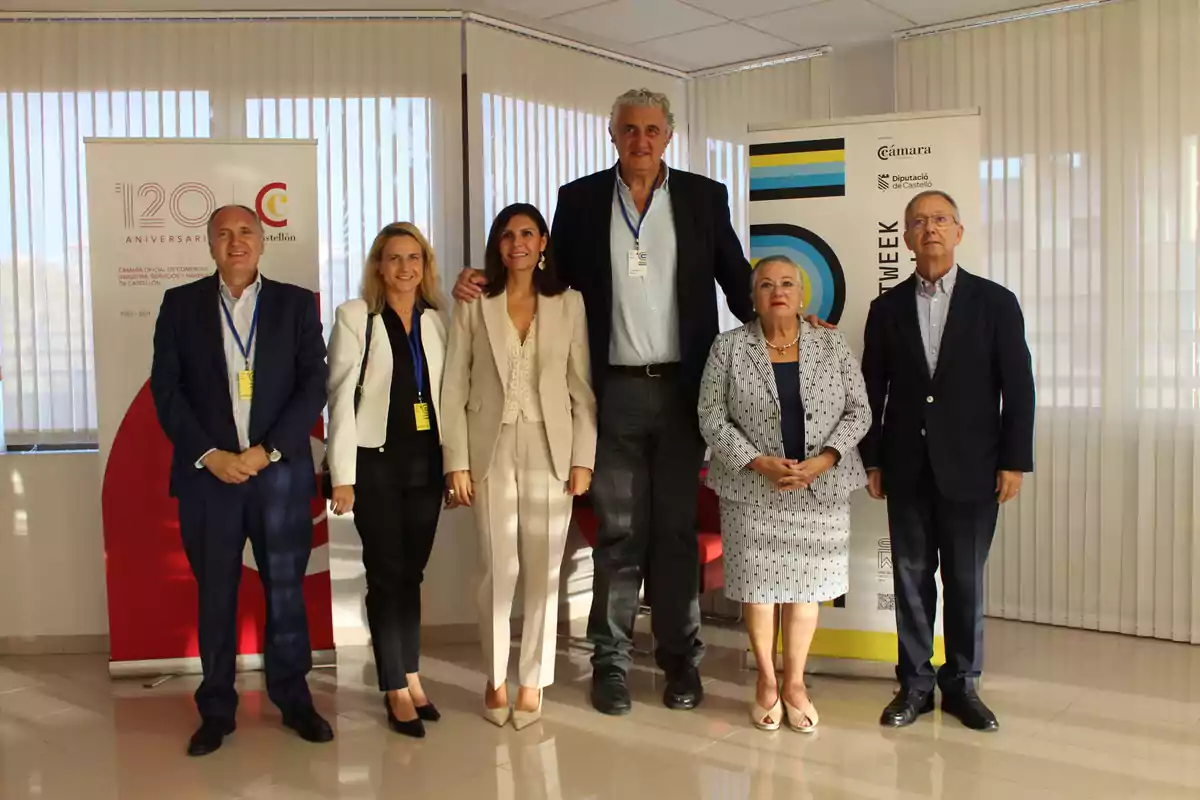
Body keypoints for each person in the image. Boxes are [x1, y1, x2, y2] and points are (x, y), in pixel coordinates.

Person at [453, 89, 758, 716]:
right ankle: (611, 665)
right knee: (618, 535)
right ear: (611, 136)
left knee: (674, 533)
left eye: (651, 130)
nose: (640, 140)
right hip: (611, 391)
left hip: (682, 391)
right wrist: (478, 278)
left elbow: (736, 277)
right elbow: (543, 275)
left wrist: (790, 326)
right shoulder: (581, 200)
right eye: (628, 130)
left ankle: (680, 664)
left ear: (668, 136)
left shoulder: (703, 198)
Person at [150, 204, 332, 756]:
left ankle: (294, 699)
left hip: (276, 475)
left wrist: (264, 452)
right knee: (216, 598)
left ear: (263, 241)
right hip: (210, 480)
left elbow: (314, 385)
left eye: (246, 232)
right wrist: (210, 455)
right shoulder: (179, 305)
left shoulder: (297, 305)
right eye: (223, 234)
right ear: (209, 246)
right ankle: (216, 709)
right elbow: (167, 390)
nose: (235, 242)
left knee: (285, 592)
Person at [860, 189, 1035, 732]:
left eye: (940, 219)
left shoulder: (996, 302)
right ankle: (913, 685)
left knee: (965, 580)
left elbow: (1019, 387)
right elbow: (871, 389)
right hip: (907, 467)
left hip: (975, 467)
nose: (930, 229)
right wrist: (873, 459)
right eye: (919, 222)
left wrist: (1014, 460)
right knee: (911, 579)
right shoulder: (885, 310)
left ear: (958, 232)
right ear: (906, 238)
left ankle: (962, 685)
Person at [698, 256, 870, 732]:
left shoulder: (831, 345)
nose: (778, 291)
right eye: (767, 284)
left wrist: (825, 458)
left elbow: (860, 411)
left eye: (788, 283)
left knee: (805, 591)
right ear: (752, 296)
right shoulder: (728, 348)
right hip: (752, 488)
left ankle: (795, 682)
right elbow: (711, 417)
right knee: (758, 591)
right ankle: (766, 682)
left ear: (802, 294)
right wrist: (757, 461)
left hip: (821, 486)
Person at [441, 203, 597, 730]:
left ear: (544, 241)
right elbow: (453, 386)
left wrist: (584, 459)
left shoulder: (568, 303)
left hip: (551, 446)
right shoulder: (473, 302)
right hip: (488, 446)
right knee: (498, 569)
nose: (517, 244)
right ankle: (495, 677)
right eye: (507, 236)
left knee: (543, 570)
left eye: (527, 234)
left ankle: (532, 680)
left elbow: (580, 386)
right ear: (497, 245)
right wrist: (455, 462)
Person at [326, 222, 450, 739]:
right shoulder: (357, 318)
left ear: (425, 266)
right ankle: (394, 686)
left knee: (412, 576)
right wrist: (341, 477)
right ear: (379, 266)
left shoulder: (440, 322)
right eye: (394, 258)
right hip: (373, 463)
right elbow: (338, 397)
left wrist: (453, 466)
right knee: (385, 573)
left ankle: (413, 675)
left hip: (426, 464)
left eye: (414, 258)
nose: (405, 268)